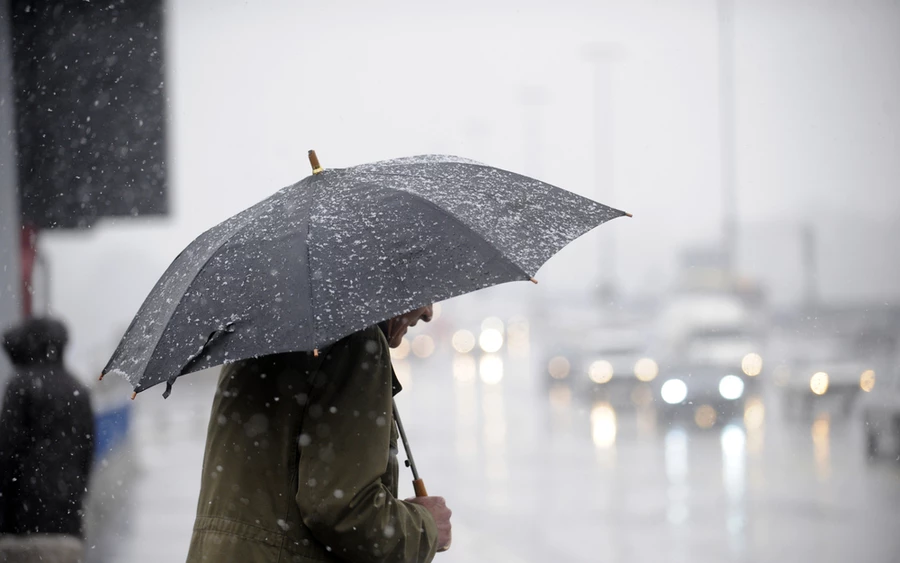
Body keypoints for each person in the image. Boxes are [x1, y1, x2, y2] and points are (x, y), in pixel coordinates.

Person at [186, 305, 452, 563]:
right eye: (425, 299)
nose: (428, 312)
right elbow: (343, 510)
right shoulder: (355, 339)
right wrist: (426, 527)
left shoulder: (259, 332)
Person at [0, 317, 95, 562]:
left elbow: (7, 453)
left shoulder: (21, 385)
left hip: (23, 525)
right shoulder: (79, 389)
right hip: (68, 526)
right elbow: (87, 457)